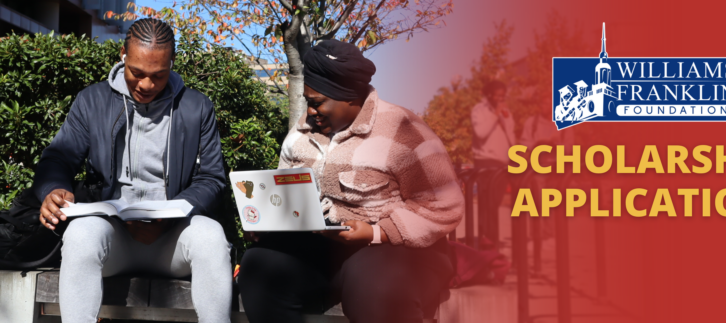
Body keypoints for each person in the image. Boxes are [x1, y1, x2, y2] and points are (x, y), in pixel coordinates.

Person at [237, 40, 464, 323]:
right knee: (259, 266)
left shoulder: (404, 130)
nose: (309, 112)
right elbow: (287, 197)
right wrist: (269, 226)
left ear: (350, 97)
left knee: (374, 285)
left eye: (317, 103)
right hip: (322, 248)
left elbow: (445, 205)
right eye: (308, 102)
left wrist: (374, 233)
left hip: (391, 249)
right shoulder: (299, 136)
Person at [33, 18, 232, 323]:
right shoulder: (92, 101)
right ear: (122, 55)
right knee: (81, 234)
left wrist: (167, 218)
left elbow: (212, 178)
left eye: (159, 75)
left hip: (172, 240)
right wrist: (53, 189)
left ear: (172, 62)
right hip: (115, 238)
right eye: (136, 73)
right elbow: (58, 159)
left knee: (211, 237)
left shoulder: (196, 107)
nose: (147, 85)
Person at [470, 80, 515, 245]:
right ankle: (487, 241)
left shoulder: (505, 112)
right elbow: (481, 133)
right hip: (486, 162)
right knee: (486, 205)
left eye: (503, 96)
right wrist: (495, 114)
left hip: (503, 163)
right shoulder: (479, 110)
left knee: (494, 205)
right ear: (489, 95)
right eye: (497, 96)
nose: (501, 99)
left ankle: (490, 240)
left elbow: (510, 134)